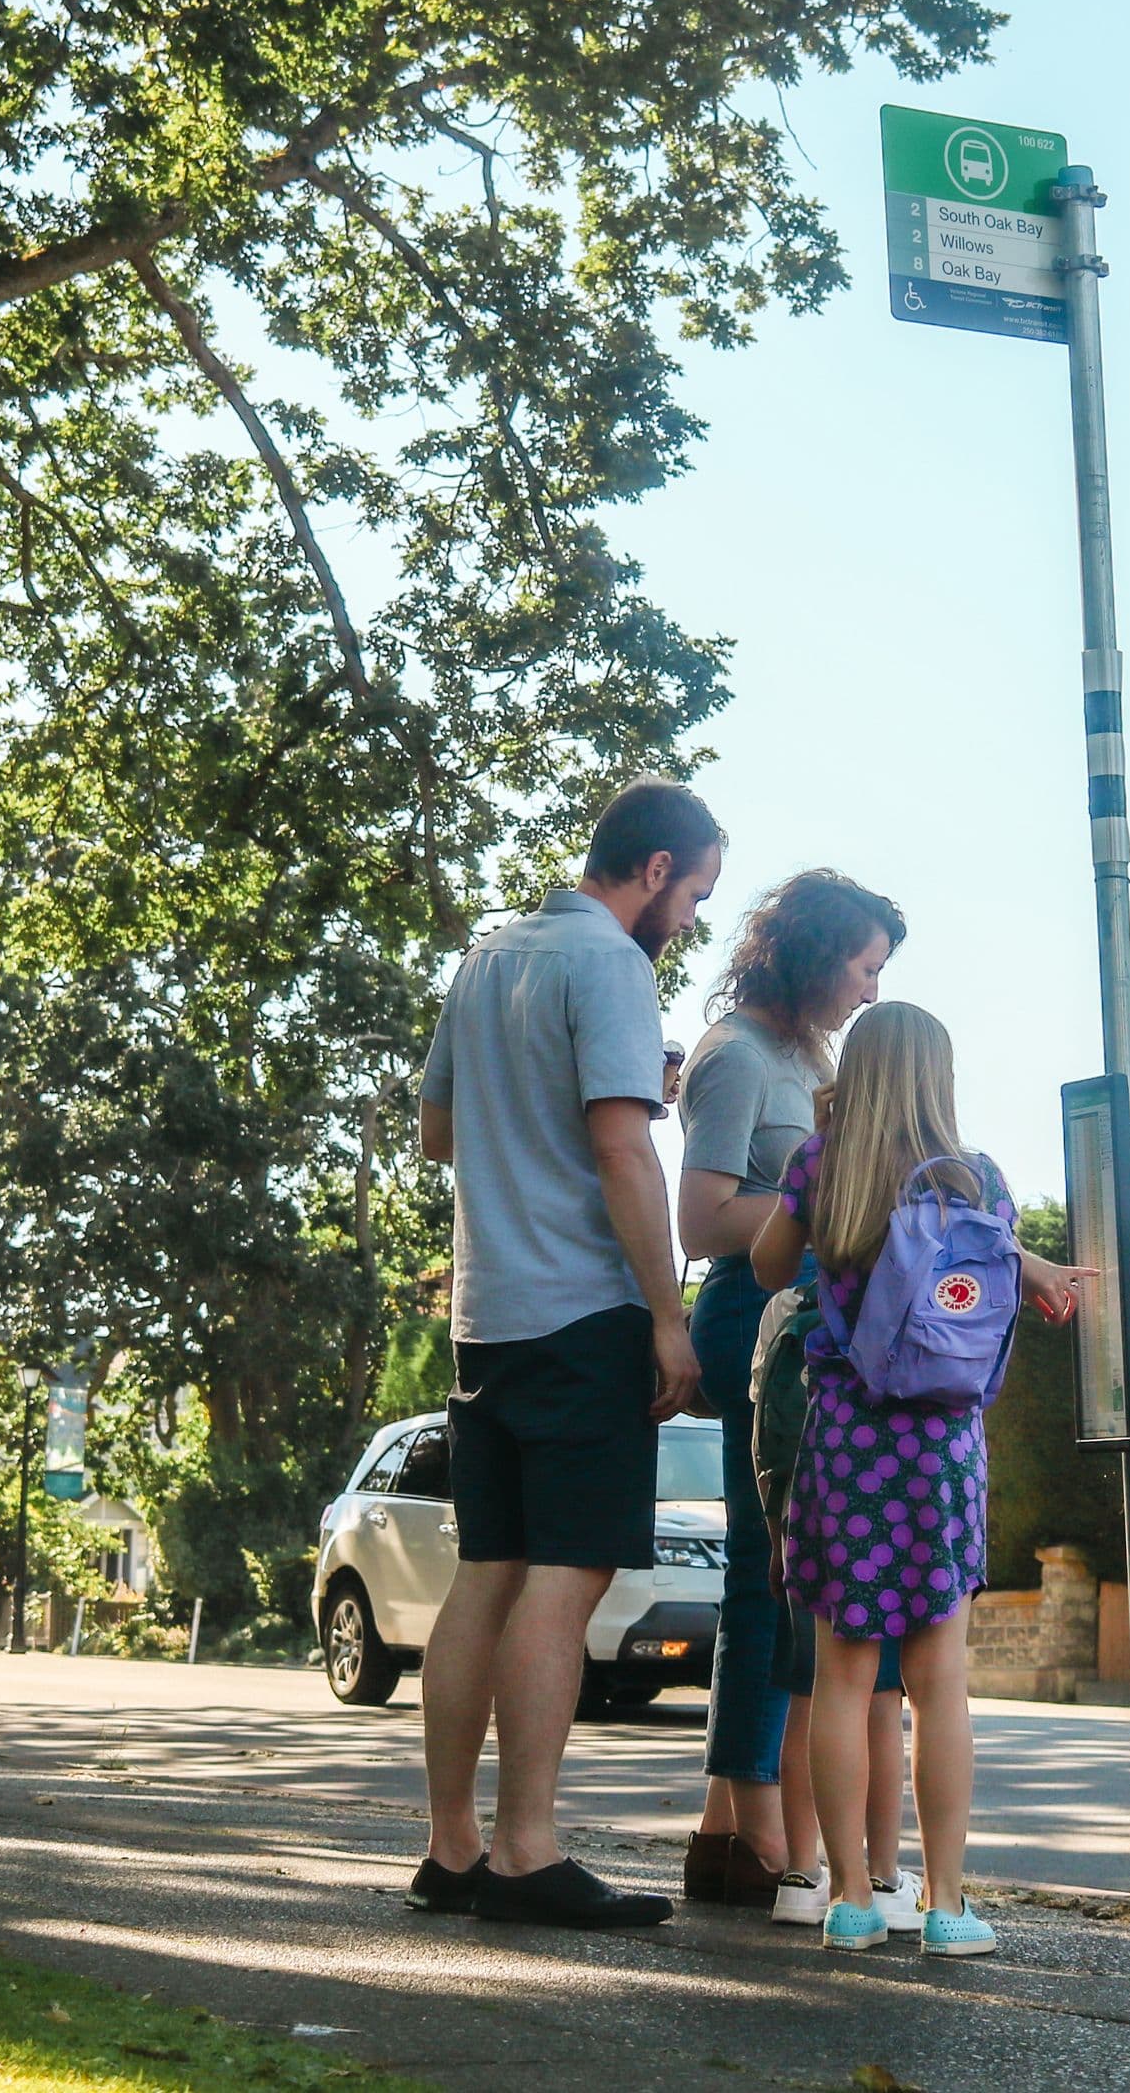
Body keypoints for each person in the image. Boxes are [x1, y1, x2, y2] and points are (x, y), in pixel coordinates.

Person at [409, 779, 721, 1929]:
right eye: (695, 892)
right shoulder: (614, 966)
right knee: (570, 1568)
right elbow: (622, 1151)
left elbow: (439, 1133)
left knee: (487, 1571)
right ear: (653, 868)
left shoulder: (486, 959)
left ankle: (452, 1849)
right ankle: (526, 1852)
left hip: (485, 1315)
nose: (690, 916)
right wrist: (669, 1318)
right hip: (583, 1311)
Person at [752, 1002, 1089, 1957]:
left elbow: (769, 1267)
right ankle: (945, 1905)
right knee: (941, 1686)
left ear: (855, 1073)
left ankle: (852, 1900)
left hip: (846, 1444)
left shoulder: (823, 1166)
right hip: (942, 1448)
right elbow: (998, 1271)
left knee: (842, 1678)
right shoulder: (978, 1179)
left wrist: (812, 1175)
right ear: (939, 1078)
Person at [671, 871, 905, 1916]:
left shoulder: (810, 1056)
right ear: (815, 955)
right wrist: (820, 1206)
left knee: (776, 1580)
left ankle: (726, 1832)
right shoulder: (734, 1056)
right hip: (757, 1321)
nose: (870, 990)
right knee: (766, 1580)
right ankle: (758, 1824)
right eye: (864, 966)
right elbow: (700, 1219)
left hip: (811, 1323)